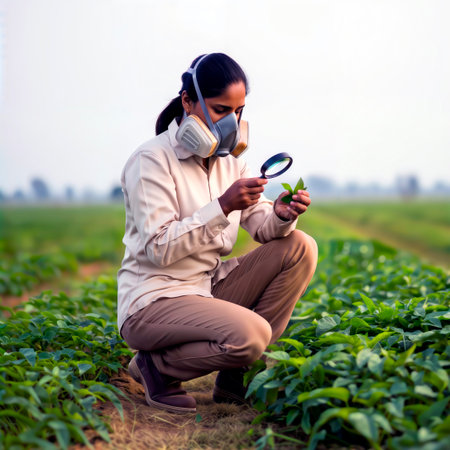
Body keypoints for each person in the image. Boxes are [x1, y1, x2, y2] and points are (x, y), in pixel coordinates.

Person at [117, 53, 318, 414]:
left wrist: (281, 216)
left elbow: (258, 224)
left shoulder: (231, 161)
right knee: (253, 334)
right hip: (154, 299)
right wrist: (222, 205)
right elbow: (159, 249)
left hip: (206, 287)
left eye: (238, 111)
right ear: (188, 102)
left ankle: (235, 377)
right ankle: (154, 368)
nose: (232, 121)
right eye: (221, 109)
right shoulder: (151, 160)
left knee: (300, 246)